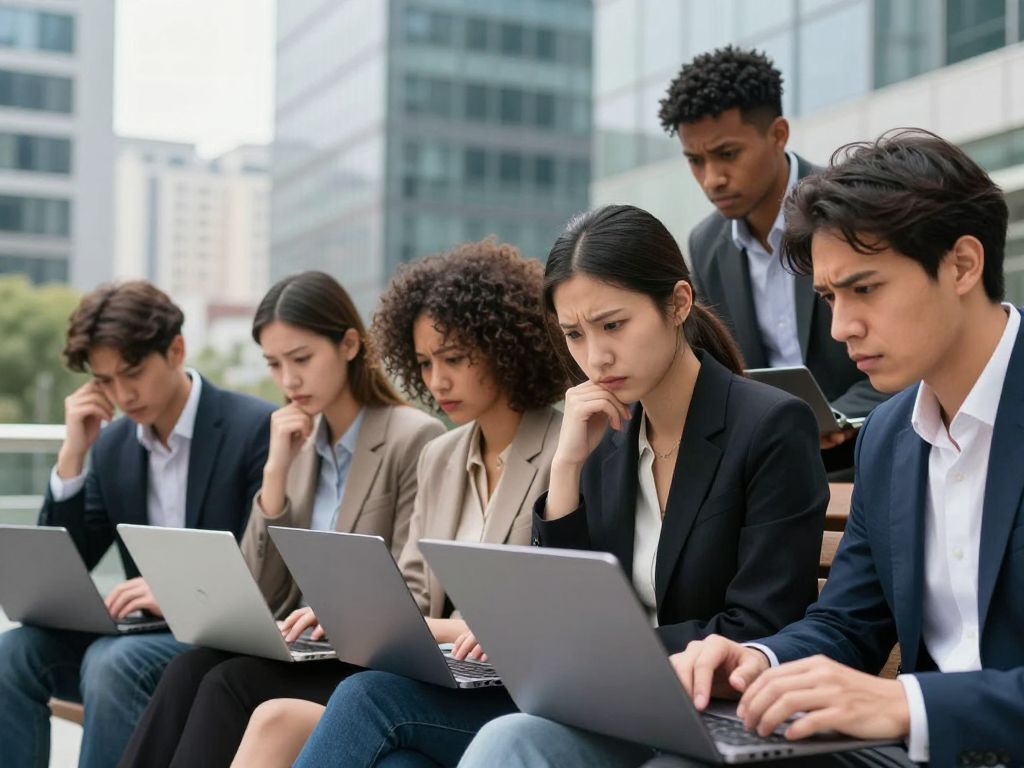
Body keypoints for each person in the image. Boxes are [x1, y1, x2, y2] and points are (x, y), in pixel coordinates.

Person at [463, 131, 1023, 767]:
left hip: (949, 736)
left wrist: (912, 706)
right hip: (905, 750)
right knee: (516, 740)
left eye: (865, 289)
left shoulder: (781, 428)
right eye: (830, 299)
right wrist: (753, 657)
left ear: (962, 265)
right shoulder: (893, 438)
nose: (841, 329)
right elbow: (848, 624)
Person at [290, 205, 829, 768]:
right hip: (592, 700)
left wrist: (590, 654)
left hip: (698, 706)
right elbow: (568, 603)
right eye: (574, 333)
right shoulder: (605, 438)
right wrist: (567, 466)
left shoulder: (768, 426)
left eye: (613, 325)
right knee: (369, 696)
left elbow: (763, 624)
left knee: (505, 741)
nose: (595, 356)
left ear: (678, 304)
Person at [226, 239, 566, 768]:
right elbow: (411, 591)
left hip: (516, 693)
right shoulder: (441, 456)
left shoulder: (567, 451)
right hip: (442, 681)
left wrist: (442, 630)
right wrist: (354, 616)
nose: (436, 381)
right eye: (425, 363)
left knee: (365, 698)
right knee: (288, 721)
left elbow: (549, 609)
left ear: (505, 346)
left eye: (453, 359)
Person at [118, 272, 444, 768]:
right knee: (187, 668)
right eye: (274, 364)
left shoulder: (411, 437)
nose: (288, 380)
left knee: (227, 683)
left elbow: (414, 590)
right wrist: (275, 475)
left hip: (361, 660)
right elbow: (260, 590)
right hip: (300, 646)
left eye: (302, 359)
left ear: (349, 344)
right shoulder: (296, 441)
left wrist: (339, 614)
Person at [0, 281, 274, 768]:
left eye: (133, 373)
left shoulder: (254, 428)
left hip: (218, 643)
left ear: (176, 349)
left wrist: (175, 589)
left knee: (111, 664)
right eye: (104, 381)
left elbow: (265, 570)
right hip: (140, 634)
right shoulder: (112, 445)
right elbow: (69, 562)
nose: (122, 395)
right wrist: (72, 459)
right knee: (13, 651)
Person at [660, 45, 886, 467]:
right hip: (772, 464)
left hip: (874, 450)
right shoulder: (706, 245)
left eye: (728, 154)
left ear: (778, 134)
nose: (713, 178)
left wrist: (838, 417)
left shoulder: (853, 206)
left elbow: (909, 339)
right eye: (695, 160)